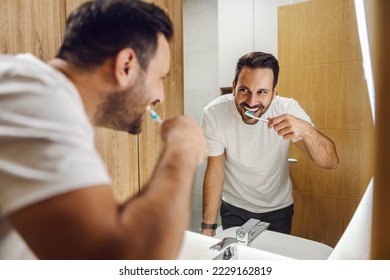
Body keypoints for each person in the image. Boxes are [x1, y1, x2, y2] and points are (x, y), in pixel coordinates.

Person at [0, 0, 208, 259]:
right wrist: (183, 147)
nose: (160, 96)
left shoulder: (26, 85)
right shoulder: (39, 100)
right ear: (125, 66)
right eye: (160, 78)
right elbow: (124, 262)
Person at [201, 52, 338, 236]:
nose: (251, 101)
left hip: (278, 208)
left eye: (262, 92)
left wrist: (306, 130)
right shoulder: (214, 114)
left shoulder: (287, 109)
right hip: (234, 207)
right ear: (233, 86)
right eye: (244, 90)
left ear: (274, 92)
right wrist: (208, 226)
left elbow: (330, 162)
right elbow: (215, 169)